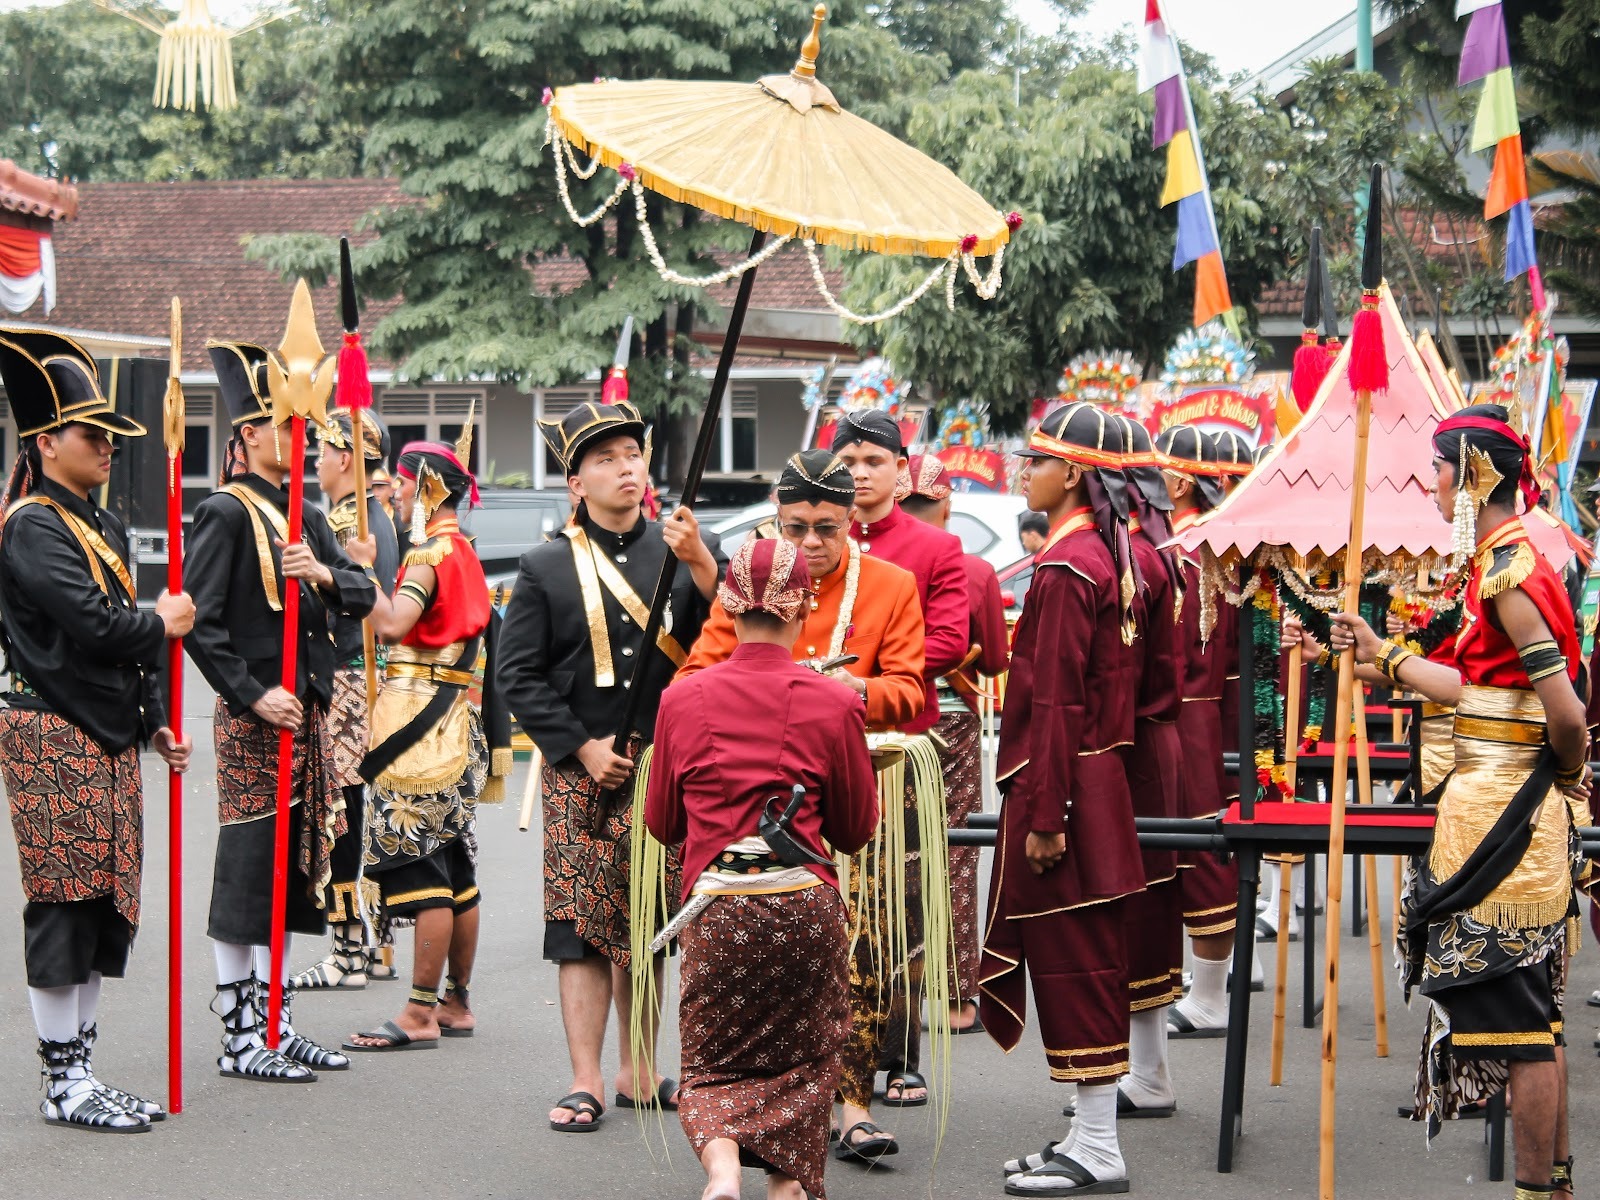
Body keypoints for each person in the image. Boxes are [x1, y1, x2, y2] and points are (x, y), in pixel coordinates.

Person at [1313, 405, 1589, 1200]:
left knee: (1526, 1029)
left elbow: (1563, 714)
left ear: (1473, 474)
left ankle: (1539, 1192)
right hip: (1499, 807)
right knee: (1538, 1018)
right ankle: (1554, 1187)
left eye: (1438, 467)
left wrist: (1560, 779)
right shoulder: (1499, 560)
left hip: (1510, 817)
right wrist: (1383, 658)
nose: (1429, 482)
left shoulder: (1508, 573)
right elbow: (1478, 691)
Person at [677, 448, 926, 1163]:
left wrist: (845, 696)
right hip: (753, 810)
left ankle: (850, 1107)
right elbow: (698, 671)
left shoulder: (891, 584)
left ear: (854, 521)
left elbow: (912, 691)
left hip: (859, 783)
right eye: (796, 527)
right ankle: (757, 1124)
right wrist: (771, 688)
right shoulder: (752, 581)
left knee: (865, 953)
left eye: (826, 527)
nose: (811, 543)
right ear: (775, 523)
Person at [497, 399, 724, 1132]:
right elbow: (517, 675)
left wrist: (703, 566)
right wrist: (579, 746)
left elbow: (735, 638)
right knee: (583, 927)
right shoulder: (542, 566)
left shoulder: (686, 548)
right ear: (575, 483)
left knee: (652, 923)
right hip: (580, 772)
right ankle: (586, 1077)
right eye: (605, 459)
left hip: (671, 769)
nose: (626, 467)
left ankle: (640, 1067)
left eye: (632, 454)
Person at [0, 330, 194, 1132]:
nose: (108, 446)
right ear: (46, 441)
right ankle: (61, 1080)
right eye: (91, 433)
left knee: (104, 901)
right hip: (50, 727)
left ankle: (80, 1068)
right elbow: (94, 625)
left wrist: (154, 722)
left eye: (113, 435)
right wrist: (161, 622)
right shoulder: (30, 525)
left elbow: (124, 646)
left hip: (108, 732)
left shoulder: (104, 526)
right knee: (62, 899)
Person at [647, 537, 879, 1200]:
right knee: (805, 1062)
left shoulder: (681, 701)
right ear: (805, 603)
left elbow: (663, 824)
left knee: (713, 1063)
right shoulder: (834, 703)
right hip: (804, 902)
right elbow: (857, 830)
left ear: (725, 601)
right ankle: (786, 1184)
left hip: (719, 908)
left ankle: (722, 1171)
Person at [184, 338, 376, 1083]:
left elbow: (362, 595)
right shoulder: (225, 512)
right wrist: (251, 691)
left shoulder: (309, 515)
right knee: (247, 870)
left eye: (311, 430)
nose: (306, 441)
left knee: (296, 872)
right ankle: (240, 1032)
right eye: (289, 427)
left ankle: (276, 1018)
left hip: (311, 717)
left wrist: (322, 570)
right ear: (249, 436)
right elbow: (201, 620)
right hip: (255, 715)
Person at [986, 402, 1144, 1196]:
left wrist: (1046, 816)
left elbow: (1054, 704)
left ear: (1074, 472)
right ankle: (1088, 1136)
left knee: (1079, 966)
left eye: (1038, 457)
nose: (1025, 468)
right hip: (1096, 784)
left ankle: (1097, 1146)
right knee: (1088, 962)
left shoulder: (1066, 565)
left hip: (1068, 792)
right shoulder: (1104, 553)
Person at [343, 434, 501, 1051]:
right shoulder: (461, 548)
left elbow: (392, 623)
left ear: (427, 486)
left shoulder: (429, 553)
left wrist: (358, 570)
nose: (395, 490)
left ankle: (418, 1012)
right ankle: (456, 1001)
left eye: (403, 481)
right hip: (453, 721)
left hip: (419, 726)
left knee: (425, 870)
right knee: (457, 868)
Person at [833, 408, 968, 1115]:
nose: (859, 473)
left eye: (873, 461)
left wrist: (866, 677)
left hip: (898, 746)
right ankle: (826, 1053)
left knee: (901, 902)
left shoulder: (934, 548)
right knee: (827, 902)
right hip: (820, 748)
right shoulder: (808, 541)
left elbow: (949, 640)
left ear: (900, 471)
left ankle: (900, 1055)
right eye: (848, 460)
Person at [899, 453, 1010, 1035]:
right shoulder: (971, 570)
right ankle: (956, 995)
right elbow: (994, 658)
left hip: (888, 718)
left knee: (891, 852)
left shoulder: (873, 562)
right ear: (947, 505)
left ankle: (892, 993)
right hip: (952, 723)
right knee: (955, 851)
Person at [291, 409, 401, 992]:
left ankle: (347, 950)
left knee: (341, 815)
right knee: (363, 810)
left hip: (347, 682)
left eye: (322, 449)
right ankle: (375, 943)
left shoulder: (345, 523)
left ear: (347, 458)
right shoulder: (378, 518)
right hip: (371, 681)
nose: (315, 459)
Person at [1156, 424, 1246, 1037]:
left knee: (1194, 846)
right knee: (1190, 846)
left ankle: (1211, 995)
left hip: (1182, 714)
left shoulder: (1182, 551)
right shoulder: (1210, 545)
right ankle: (1205, 987)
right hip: (1200, 712)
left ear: (1181, 480)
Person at [1113, 415, 1187, 1114]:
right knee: (1150, 900)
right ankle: (1150, 1070)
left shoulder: (1136, 557)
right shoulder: (1164, 546)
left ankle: (1143, 1074)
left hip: (1132, 746)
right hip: (1157, 741)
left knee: (1132, 906)